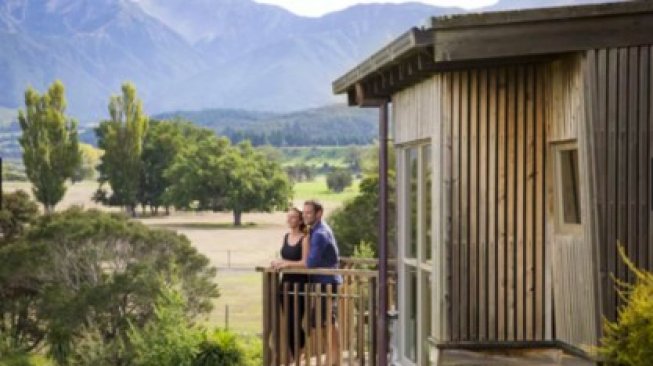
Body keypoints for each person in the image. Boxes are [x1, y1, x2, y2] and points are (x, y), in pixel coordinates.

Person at [302, 200, 342, 365]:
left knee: (326, 321)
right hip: (325, 282)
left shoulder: (319, 234)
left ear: (319, 213)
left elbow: (310, 263)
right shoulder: (317, 230)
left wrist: (286, 264)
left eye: (309, 213)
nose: (305, 216)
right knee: (326, 321)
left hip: (326, 282)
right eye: (304, 213)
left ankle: (333, 359)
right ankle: (333, 358)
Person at [270, 208, 310, 363]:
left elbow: (305, 263)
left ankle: (300, 352)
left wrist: (286, 264)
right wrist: (278, 262)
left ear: (300, 221)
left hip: (299, 284)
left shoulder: (305, 238)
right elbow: (285, 257)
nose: (290, 220)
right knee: (287, 323)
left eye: (293, 217)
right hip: (284, 284)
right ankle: (295, 356)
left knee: (295, 321)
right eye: (289, 217)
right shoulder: (286, 237)